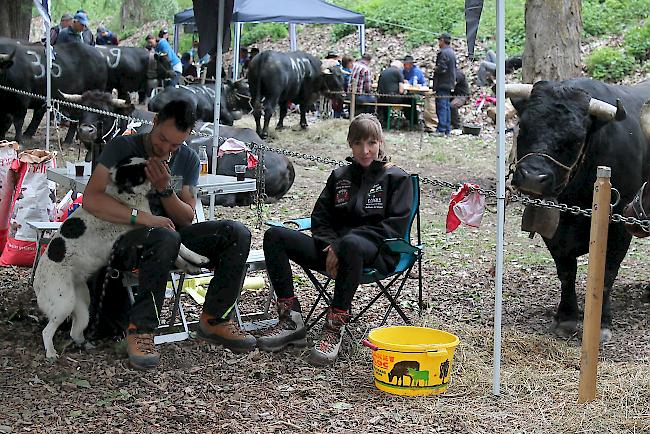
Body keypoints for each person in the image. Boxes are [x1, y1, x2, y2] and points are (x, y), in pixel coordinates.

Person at [83, 100, 256, 370]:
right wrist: (145, 218)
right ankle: (141, 330)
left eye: (175, 145)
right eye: (162, 139)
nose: (165, 148)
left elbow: (186, 217)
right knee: (165, 237)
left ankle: (215, 319)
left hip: (171, 235)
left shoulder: (186, 158)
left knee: (236, 232)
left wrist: (165, 190)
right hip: (123, 236)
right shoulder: (121, 147)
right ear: (154, 122)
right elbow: (91, 199)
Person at [258, 114, 414, 366]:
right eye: (358, 143)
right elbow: (320, 218)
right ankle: (291, 319)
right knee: (274, 236)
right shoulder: (340, 176)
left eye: (372, 143)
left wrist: (342, 245)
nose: (365, 150)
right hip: (331, 249)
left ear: (380, 142)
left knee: (351, 244)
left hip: (377, 251)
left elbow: (393, 228)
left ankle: (335, 325)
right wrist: (331, 245)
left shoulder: (396, 178)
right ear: (350, 144)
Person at [434, 32, 457, 136]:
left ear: (442, 40)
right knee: (446, 106)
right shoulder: (451, 52)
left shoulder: (443, 53)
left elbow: (442, 68)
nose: (439, 42)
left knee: (442, 106)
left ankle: (441, 129)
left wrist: (435, 68)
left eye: (439, 40)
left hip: (442, 83)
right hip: (449, 83)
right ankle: (447, 128)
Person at [377, 60, 407, 126]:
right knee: (410, 100)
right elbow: (401, 90)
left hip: (381, 98)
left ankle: (385, 120)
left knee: (386, 100)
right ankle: (411, 121)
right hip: (393, 99)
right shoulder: (398, 72)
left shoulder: (383, 72)